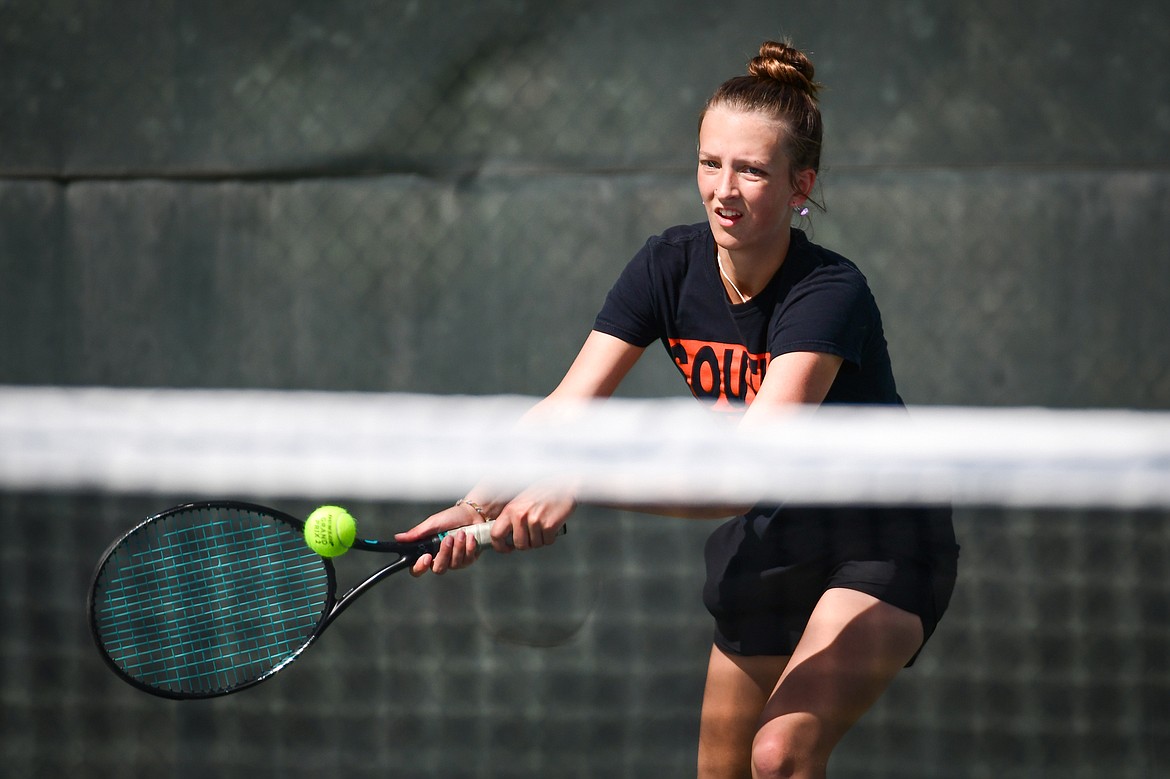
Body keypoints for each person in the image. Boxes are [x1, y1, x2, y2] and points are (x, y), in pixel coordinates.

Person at [395, 39, 959, 779]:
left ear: (800, 185)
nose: (724, 188)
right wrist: (473, 506)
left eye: (753, 170)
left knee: (781, 754)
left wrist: (583, 481)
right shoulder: (668, 266)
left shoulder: (830, 295)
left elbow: (744, 474)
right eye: (710, 162)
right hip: (773, 543)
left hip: (880, 537)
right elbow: (566, 407)